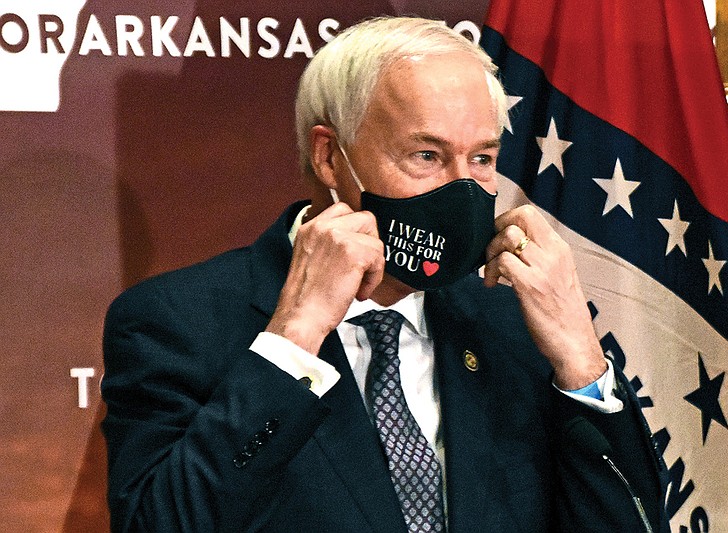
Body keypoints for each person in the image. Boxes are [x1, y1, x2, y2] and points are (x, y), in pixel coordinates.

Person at [102, 16, 668, 532]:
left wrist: (579, 361)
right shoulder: (177, 320)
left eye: (482, 159)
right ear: (330, 158)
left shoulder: (513, 316)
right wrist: (293, 340)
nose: (461, 188)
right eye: (426, 155)